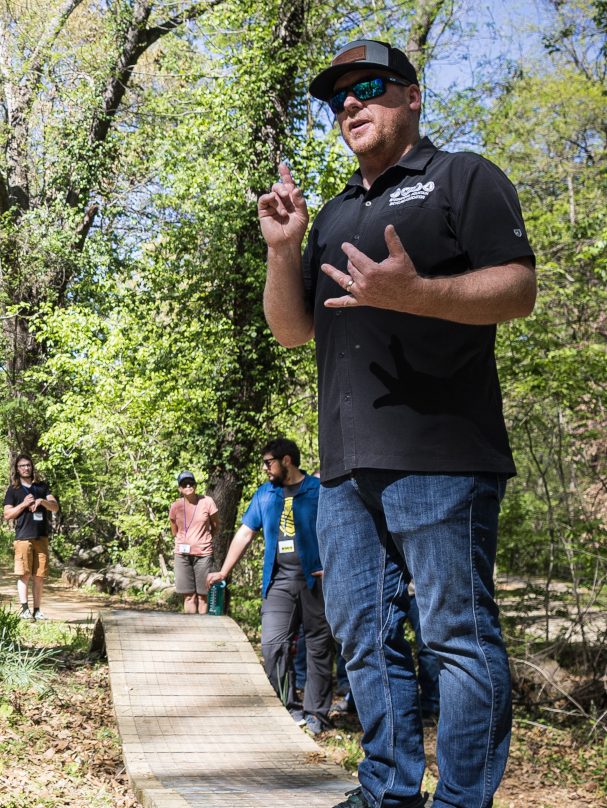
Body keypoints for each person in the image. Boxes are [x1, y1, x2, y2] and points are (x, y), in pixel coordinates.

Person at [260, 40, 536, 808]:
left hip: (444, 455)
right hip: (345, 471)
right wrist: (285, 252)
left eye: (369, 87)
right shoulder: (339, 211)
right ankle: (387, 792)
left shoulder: (462, 178)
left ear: (412, 96)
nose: (350, 104)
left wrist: (416, 295)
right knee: (361, 637)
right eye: (337, 98)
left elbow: (517, 288)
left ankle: (462, 801)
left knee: (455, 635)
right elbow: (292, 330)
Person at [206, 439, 333, 735]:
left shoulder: (318, 491)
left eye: (268, 462)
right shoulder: (265, 494)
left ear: (286, 460)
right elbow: (245, 532)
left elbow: (340, 529)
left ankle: (317, 714)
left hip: (316, 581)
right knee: (273, 644)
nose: (264, 468)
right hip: (279, 581)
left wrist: (335, 566)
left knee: (318, 648)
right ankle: (288, 705)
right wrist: (224, 570)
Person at [2, 456, 58, 620]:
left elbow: (55, 507)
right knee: (24, 574)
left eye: (28, 465)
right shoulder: (13, 490)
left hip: (41, 537)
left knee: (39, 576)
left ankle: (37, 610)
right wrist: (24, 504)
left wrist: (42, 501)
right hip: (23, 538)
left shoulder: (42, 487)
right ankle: (25, 609)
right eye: (22, 466)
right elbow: (7, 515)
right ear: (17, 469)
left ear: (32, 467)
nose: (26, 468)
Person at [168, 471, 219, 614]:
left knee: (203, 596)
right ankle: (190, 630)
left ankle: (202, 631)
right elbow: (174, 531)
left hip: (203, 554)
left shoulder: (207, 501)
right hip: (182, 555)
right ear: (180, 488)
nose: (188, 486)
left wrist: (204, 540)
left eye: (191, 483)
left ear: (195, 485)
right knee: (188, 596)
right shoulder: (176, 506)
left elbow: (215, 526)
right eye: (184, 484)